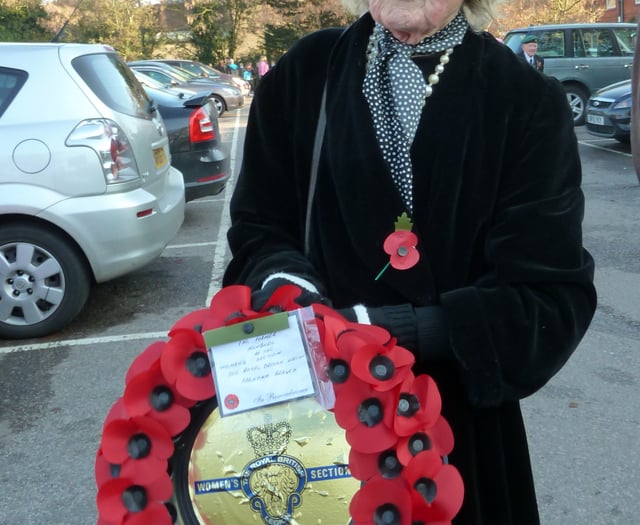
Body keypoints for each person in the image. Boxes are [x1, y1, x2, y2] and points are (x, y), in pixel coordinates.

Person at [223, 0, 597, 523]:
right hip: (320, 429)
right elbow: (259, 226)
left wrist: (391, 331)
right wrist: (288, 285)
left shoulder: (524, 98)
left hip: (456, 436)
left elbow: (548, 297)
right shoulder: (305, 73)